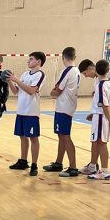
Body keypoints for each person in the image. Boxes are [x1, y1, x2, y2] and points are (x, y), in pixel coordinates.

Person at [6, 51, 46, 176]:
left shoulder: (40, 75)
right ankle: (23, 161)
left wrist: (16, 80)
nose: (28, 61)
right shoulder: (24, 74)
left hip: (31, 112)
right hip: (21, 111)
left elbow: (31, 91)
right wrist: (9, 81)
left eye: (31, 59)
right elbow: (15, 92)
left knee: (33, 138)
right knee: (22, 136)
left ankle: (34, 164)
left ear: (38, 62)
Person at [43, 47, 80, 177]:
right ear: (75, 57)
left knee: (65, 136)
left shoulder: (67, 70)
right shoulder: (76, 70)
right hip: (67, 106)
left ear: (63, 57)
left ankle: (73, 167)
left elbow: (57, 90)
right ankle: (58, 163)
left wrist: (52, 92)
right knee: (61, 135)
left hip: (64, 107)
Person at [84, 59, 110, 180]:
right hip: (99, 115)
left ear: (95, 69)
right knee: (100, 142)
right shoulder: (107, 84)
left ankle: (104, 171)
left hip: (101, 117)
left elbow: (104, 105)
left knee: (101, 143)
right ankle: (101, 170)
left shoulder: (100, 85)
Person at [78, 59, 100, 175]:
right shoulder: (97, 80)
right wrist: (94, 113)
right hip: (99, 113)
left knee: (98, 141)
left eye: (85, 73)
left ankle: (96, 167)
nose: (85, 76)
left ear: (91, 68)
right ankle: (93, 164)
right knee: (96, 140)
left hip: (103, 115)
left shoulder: (104, 78)